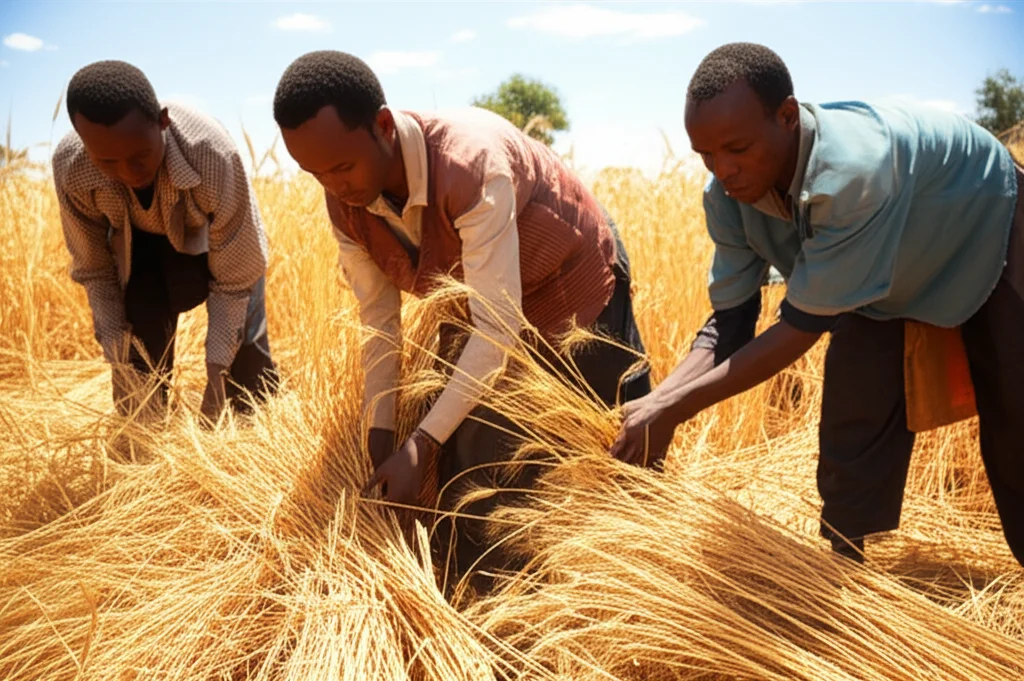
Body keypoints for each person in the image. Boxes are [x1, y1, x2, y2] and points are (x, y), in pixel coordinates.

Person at [611, 42, 1024, 566]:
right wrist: (653, 404)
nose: (723, 170)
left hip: (985, 227)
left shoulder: (854, 171)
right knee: (851, 422)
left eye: (736, 148)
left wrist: (670, 410)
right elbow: (731, 324)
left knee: (1015, 417)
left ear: (787, 117)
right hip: (887, 274)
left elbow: (799, 329)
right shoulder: (728, 198)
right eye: (706, 155)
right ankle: (843, 575)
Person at [272, 50, 652, 584]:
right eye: (316, 174)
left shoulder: (470, 164)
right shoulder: (346, 204)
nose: (336, 187)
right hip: (486, 299)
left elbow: (498, 327)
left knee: (620, 448)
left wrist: (419, 442)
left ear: (383, 126)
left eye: (342, 167)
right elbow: (380, 321)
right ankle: (487, 595)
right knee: (468, 464)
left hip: (573, 279)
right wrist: (383, 433)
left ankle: (628, 580)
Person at [52, 60, 278, 423]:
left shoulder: (211, 154)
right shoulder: (72, 168)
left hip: (219, 250)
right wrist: (118, 356)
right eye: (108, 161)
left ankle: (250, 426)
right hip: (142, 255)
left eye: (141, 155)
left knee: (244, 365)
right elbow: (95, 270)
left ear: (163, 121)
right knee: (138, 367)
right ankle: (144, 441)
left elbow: (236, 279)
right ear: (84, 144)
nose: (129, 173)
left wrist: (217, 379)